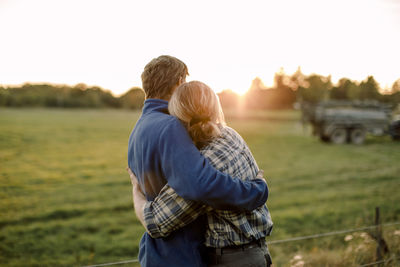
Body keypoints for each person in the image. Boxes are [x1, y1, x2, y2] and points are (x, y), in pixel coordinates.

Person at [127, 55, 269, 267]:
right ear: (179, 83)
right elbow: (201, 185)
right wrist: (256, 191)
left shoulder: (137, 130)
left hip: (155, 252)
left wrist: (137, 197)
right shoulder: (171, 125)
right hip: (183, 253)